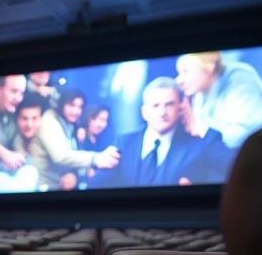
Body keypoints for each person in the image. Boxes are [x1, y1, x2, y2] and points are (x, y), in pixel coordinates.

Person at [88, 77, 229, 189]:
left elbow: (236, 171)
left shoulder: (200, 143)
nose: (162, 113)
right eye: (155, 106)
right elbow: (95, 187)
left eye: (169, 105)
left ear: (181, 108)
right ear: (144, 112)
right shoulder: (123, 143)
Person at [29, 88, 120, 191]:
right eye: (71, 105)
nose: (75, 111)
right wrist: (96, 158)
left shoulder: (70, 124)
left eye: (79, 107)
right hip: (43, 186)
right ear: (61, 105)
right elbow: (61, 156)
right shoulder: (49, 121)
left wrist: (76, 175)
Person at [174, 51, 262, 149]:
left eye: (186, 71)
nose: (178, 81)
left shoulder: (240, 78)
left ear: (210, 65)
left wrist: (201, 130)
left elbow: (244, 136)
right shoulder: (200, 92)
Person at [0, 75, 34, 193]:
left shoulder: (11, 115)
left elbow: (16, 148)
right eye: (14, 91)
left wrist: (20, 156)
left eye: (21, 93)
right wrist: (4, 154)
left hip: (3, 172)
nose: (19, 98)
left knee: (31, 170)